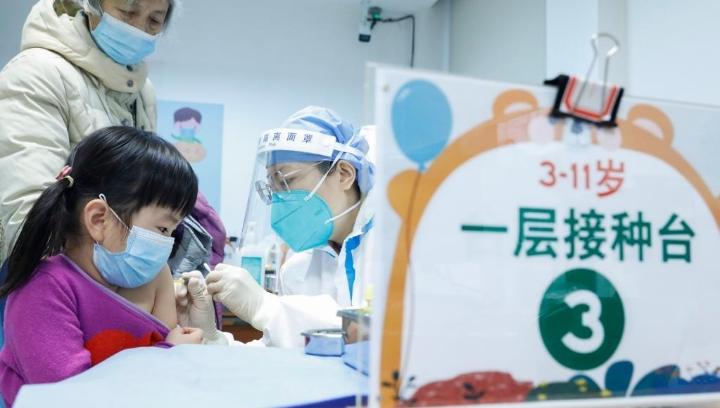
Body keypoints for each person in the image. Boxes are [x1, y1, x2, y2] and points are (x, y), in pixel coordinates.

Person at [0, 0, 226, 345]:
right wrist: (116, 301)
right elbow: (27, 216)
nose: (139, 29)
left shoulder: (140, 92)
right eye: (127, 11)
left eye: (155, 19)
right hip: (54, 293)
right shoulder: (37, 73)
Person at [0, 127, 204, 407]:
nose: (165, 244)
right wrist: (172, 357)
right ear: (98, 219)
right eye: (162, 229)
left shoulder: (155, 278)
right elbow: (69, 399)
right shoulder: (44, 289)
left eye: (171, 232)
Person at [177, 106, 376, 347]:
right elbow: (281, 354)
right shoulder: (297, 268)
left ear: (344, 173)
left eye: (287, 181)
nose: (280, 199)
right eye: (273, 187)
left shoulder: (396, 247)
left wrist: (266, 306)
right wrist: (212, 340)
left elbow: (380, 337)